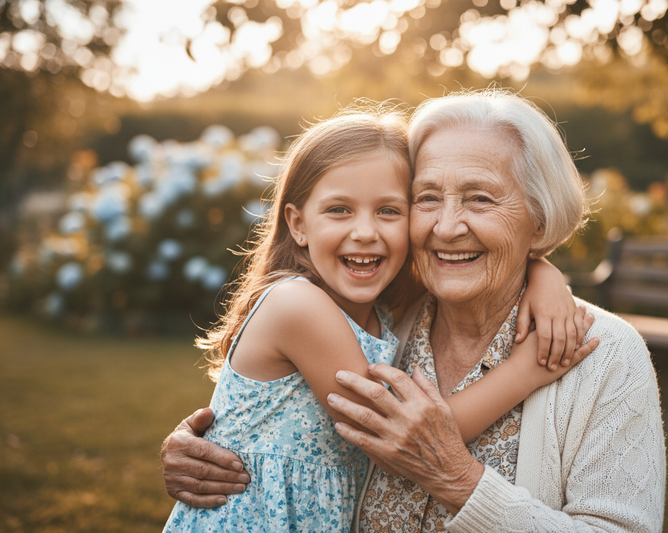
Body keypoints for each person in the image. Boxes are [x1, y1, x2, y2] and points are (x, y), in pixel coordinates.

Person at [161, 105, 598, 532]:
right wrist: (525, 370)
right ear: (297, 224)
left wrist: (542, 272)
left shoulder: (388, 305)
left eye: (389, 210)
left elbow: (489, 259)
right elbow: (404, 436)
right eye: (339, 210)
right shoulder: (298, 306)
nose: (366, 231)